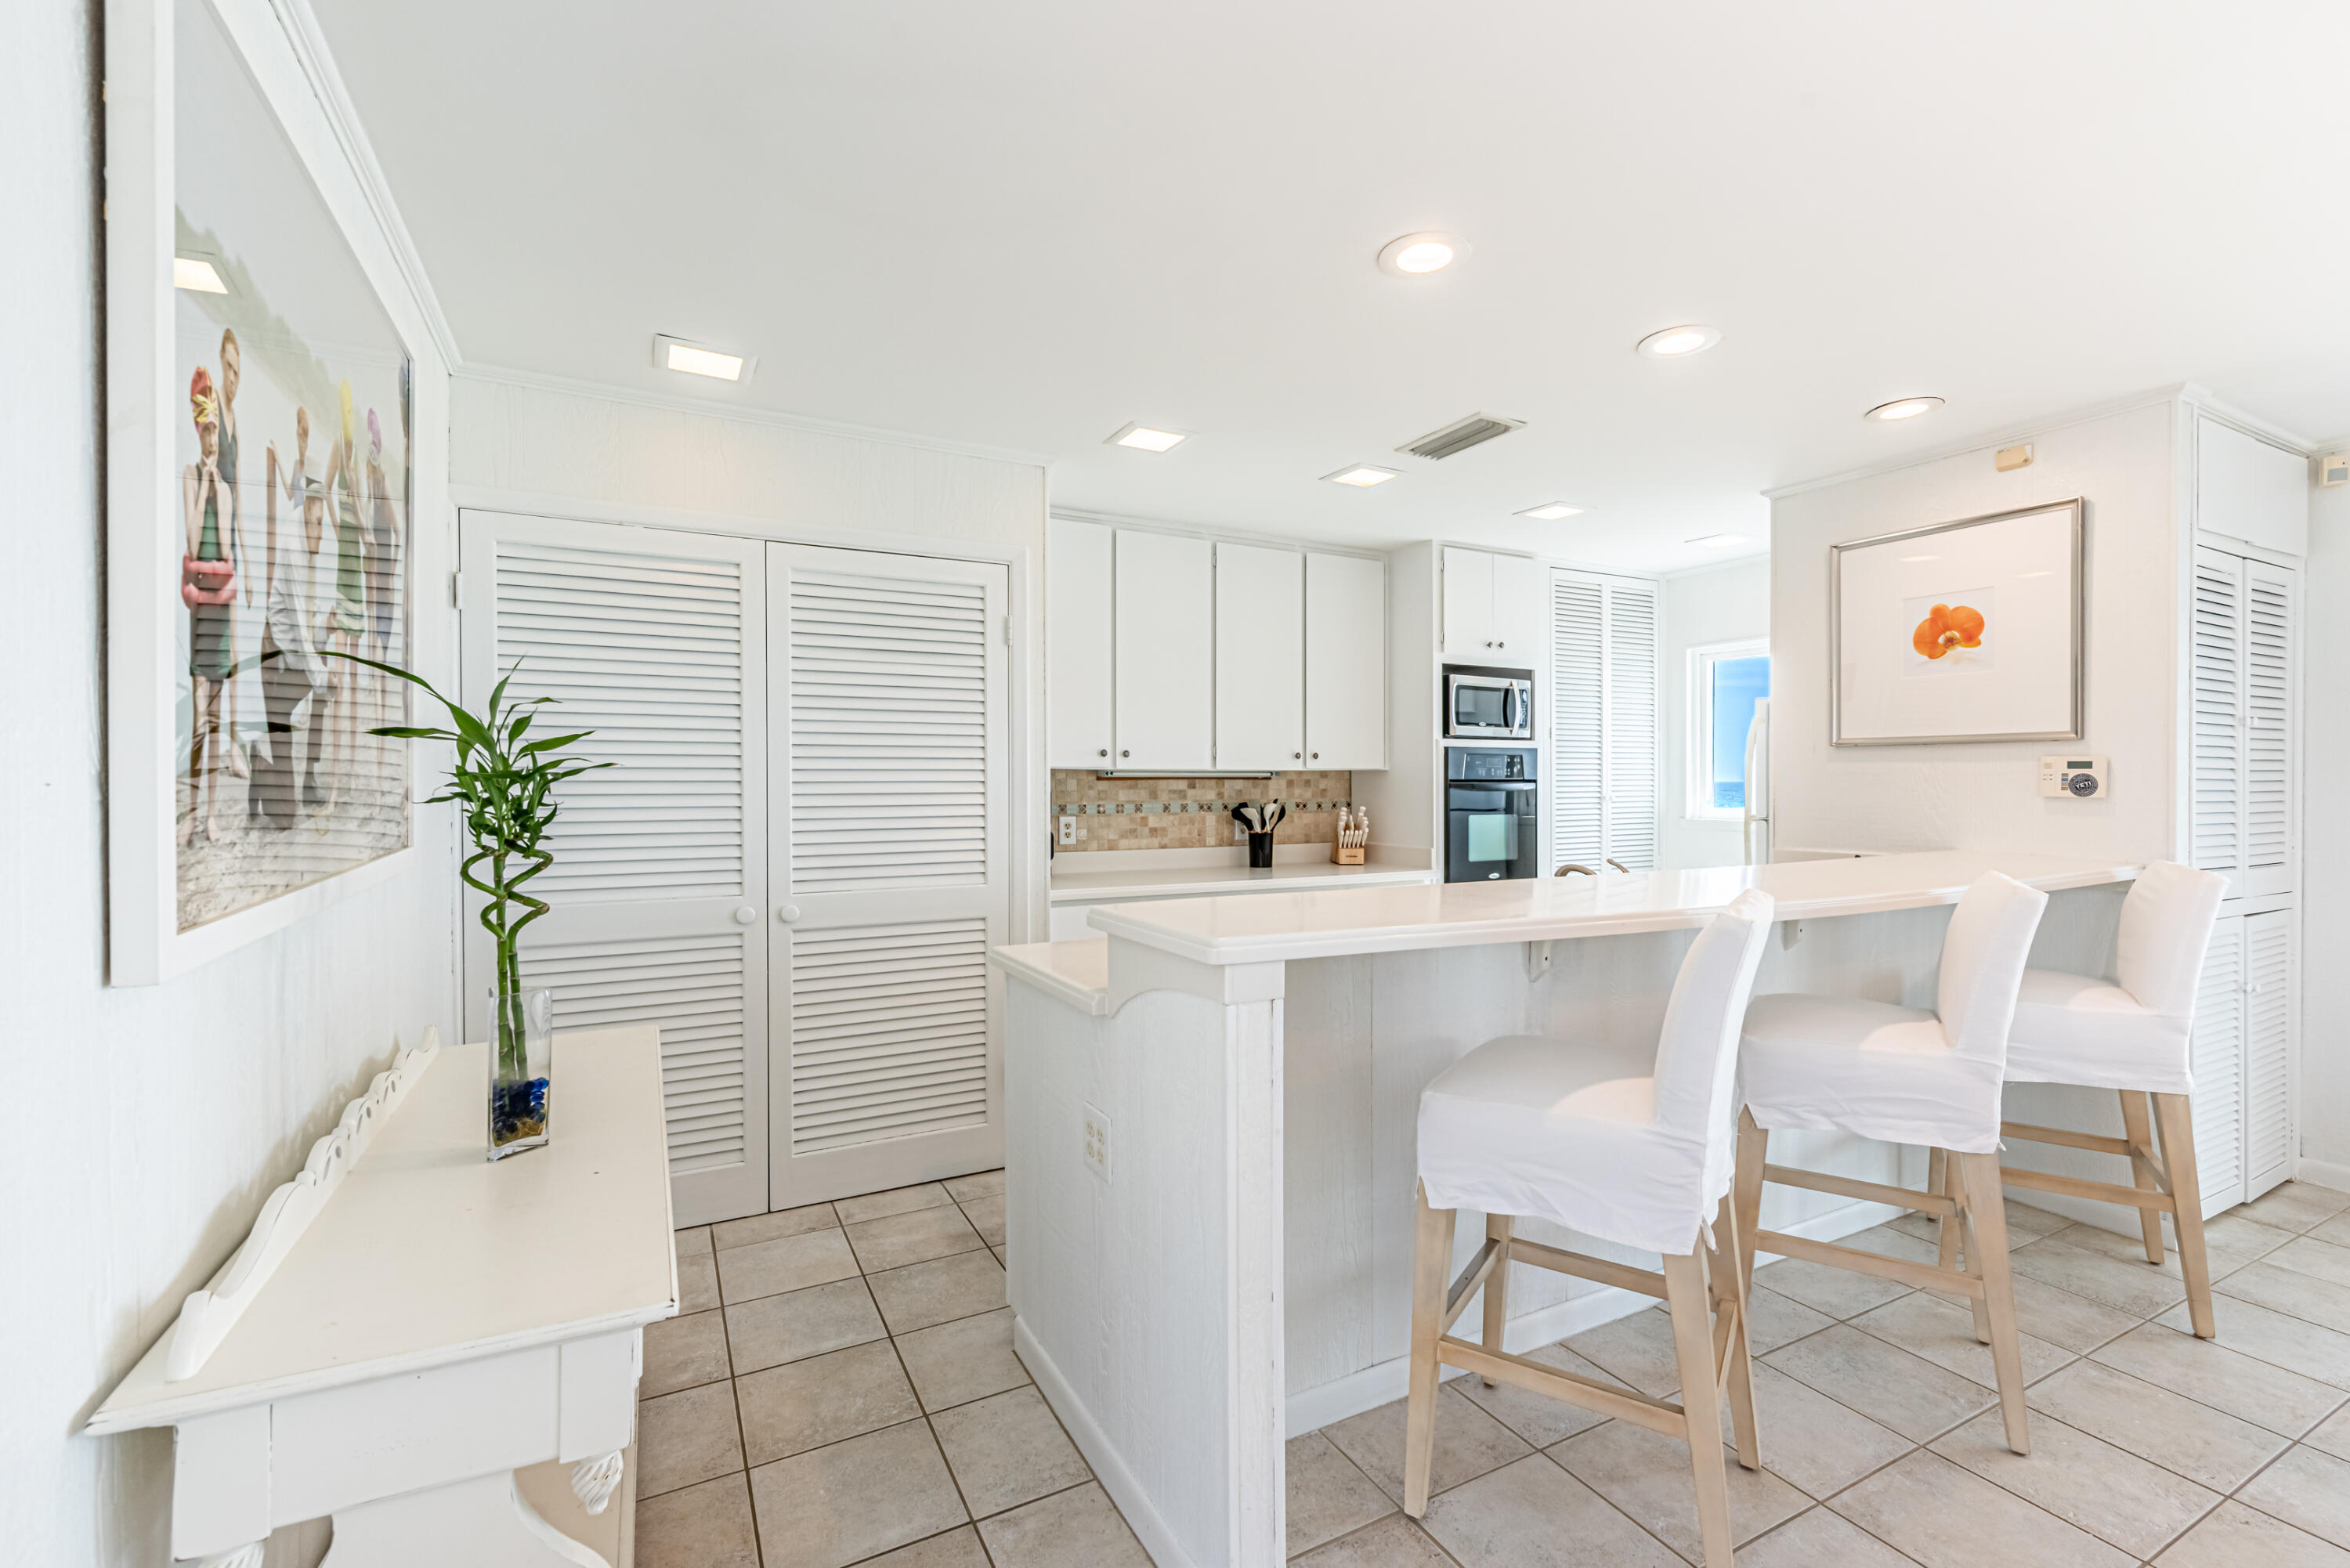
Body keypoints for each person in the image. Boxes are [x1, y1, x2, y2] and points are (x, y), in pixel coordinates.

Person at [180, 368, 238, 845]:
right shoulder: (189, 475)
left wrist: (217, 487)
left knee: (215, 726)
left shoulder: (229, 491)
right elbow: (194, 539)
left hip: (220, 616)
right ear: (197, 431)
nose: (212, 439)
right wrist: (203, 486)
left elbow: (222, 551)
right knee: (198, 723)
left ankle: (211, 815)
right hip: (200, 614)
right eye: (206, 431)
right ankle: (192, 814)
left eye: (216, 431)